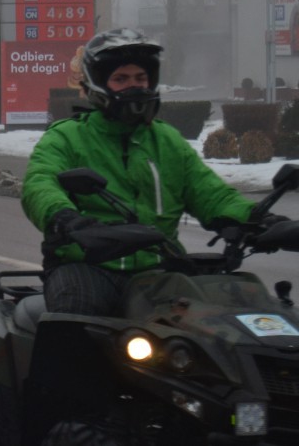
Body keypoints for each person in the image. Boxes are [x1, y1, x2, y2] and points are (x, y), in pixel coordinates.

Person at [21, 28, 287, 316]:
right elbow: (40, 183)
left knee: (230, 318)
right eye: (121, 79)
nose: (133, 87)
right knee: (76, 321)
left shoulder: (167, 141)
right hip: (89, 267)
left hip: (160, 269)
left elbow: (211, 194)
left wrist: (261, 221)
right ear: (98, 85)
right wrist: (66, 218)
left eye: (140, 78)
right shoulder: (67, 137)